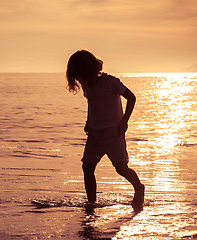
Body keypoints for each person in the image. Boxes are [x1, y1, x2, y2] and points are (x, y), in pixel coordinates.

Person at [66, 49, 145, 211]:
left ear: (91, 70)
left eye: (82, 76)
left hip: (114, 133)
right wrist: (88, 121)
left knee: (121, 168)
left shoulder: (110, 82)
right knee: (87, 167)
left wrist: (124, 122)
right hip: (95, 134)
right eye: (78, 78)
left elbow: (132, 97)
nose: (81, 81)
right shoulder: (87, 87)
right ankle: (91, 204)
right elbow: (92, 104)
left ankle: (139, 187)